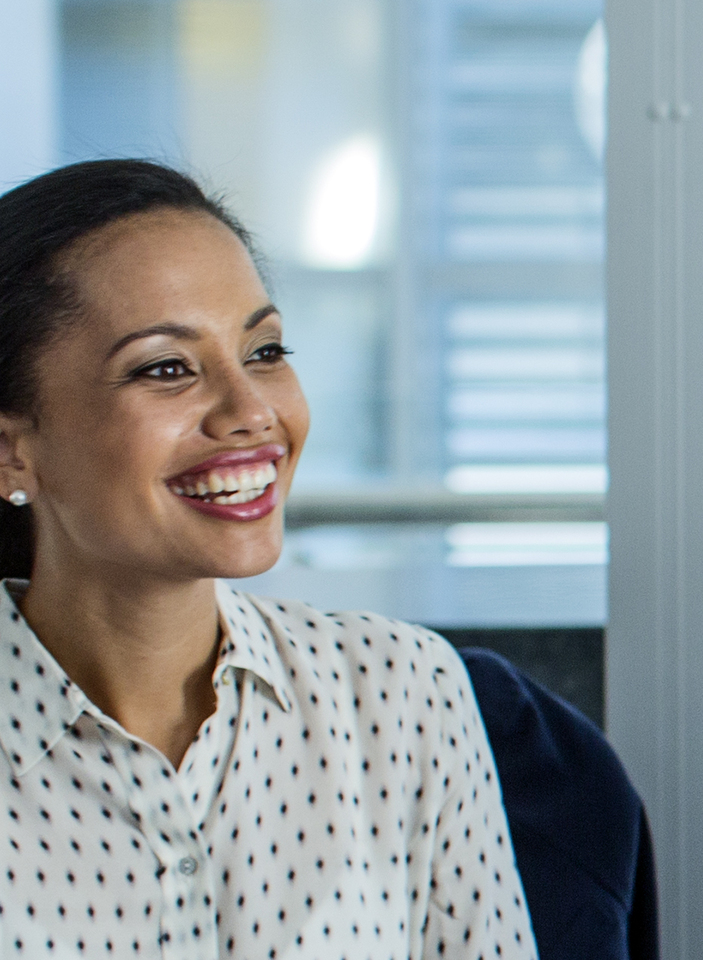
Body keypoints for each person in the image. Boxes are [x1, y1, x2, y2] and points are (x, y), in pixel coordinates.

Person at [0, 159, 535, 956]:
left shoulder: (403, 695)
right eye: (166, 368)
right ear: (13, 453)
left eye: (265, 351)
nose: (253, 412)